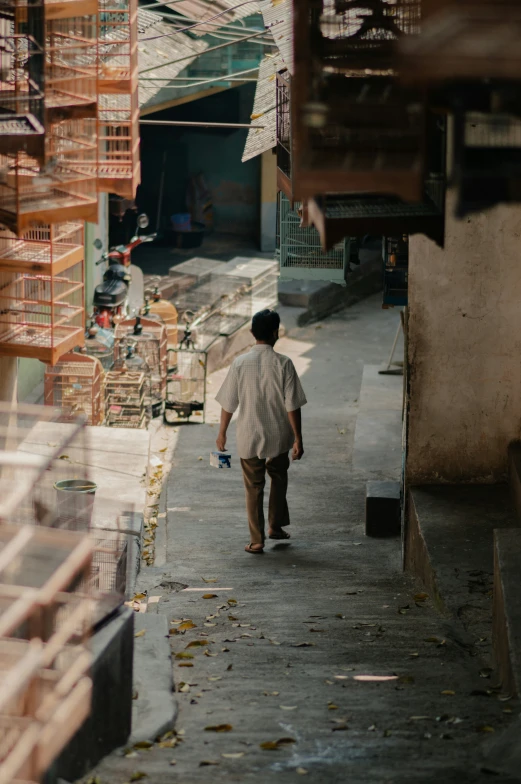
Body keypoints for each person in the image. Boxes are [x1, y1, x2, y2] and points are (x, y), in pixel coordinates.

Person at [215, 309, 307, 554]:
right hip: (278, 435)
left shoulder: (239, 363)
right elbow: (293, 405)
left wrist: (222, 432)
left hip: (249, 435)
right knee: (278, 478)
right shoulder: (284, 363)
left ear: (252, 333)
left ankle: (256, 541)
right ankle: (274, 526)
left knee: (253, 487)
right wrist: (298, 438)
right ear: (276, 333)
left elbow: (228, 402)